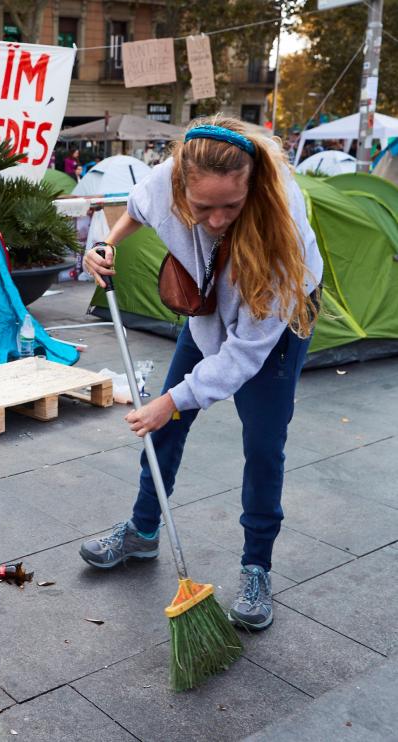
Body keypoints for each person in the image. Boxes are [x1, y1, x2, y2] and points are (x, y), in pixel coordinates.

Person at [79, 116, 322, 632]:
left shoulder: (285, 237)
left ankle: (257, 566)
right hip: (209, 308)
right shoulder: (169, 179)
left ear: (253, 188)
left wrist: (173, 398)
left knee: (262, 444)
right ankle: (143, 532)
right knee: (165, 425)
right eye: (202, 207)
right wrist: (107, 246)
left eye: (229, 207)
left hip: (274, 325)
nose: (215, 221)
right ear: (181, 185)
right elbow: (138, 209)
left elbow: (242, 356)